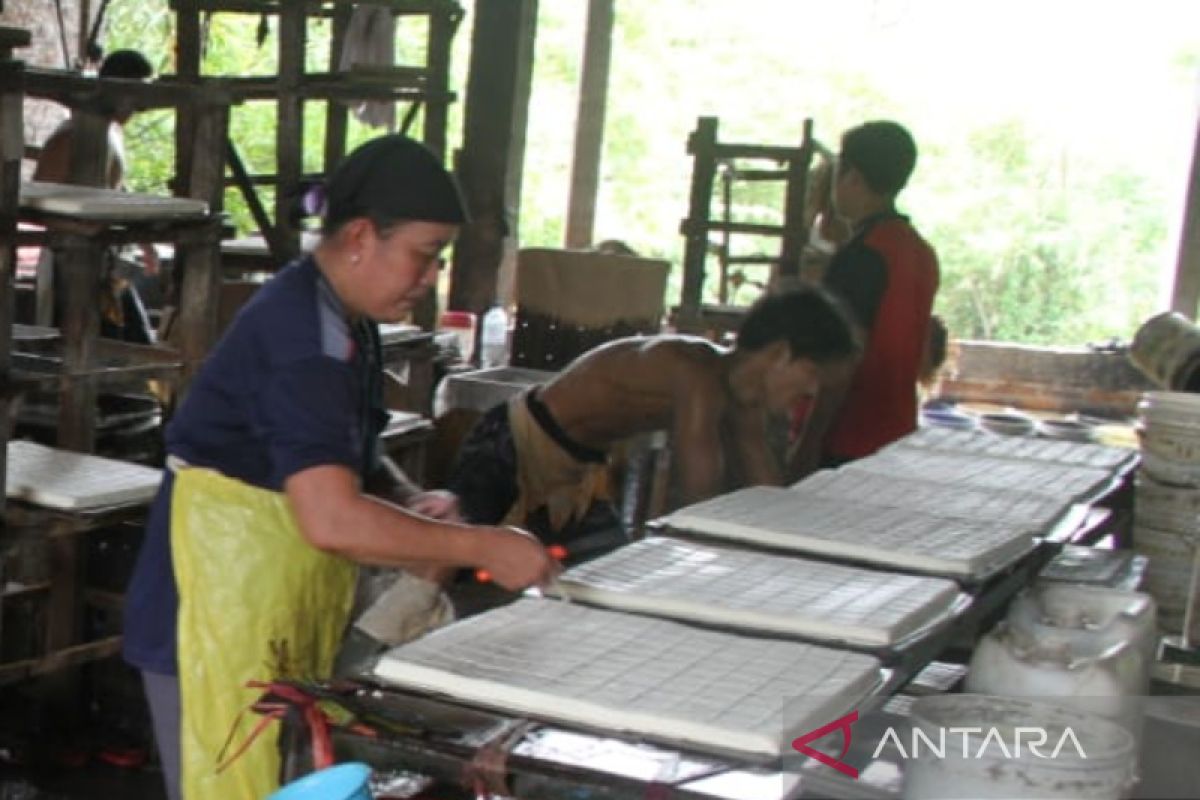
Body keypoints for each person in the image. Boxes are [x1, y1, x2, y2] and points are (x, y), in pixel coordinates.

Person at [121, 134, 558, 800]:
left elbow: (343, 451)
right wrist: (481, 545)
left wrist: (408, 499)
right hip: (208, 612)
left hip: (267, 601)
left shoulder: (345, 321)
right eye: (423, 255)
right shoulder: (305, 339)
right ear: (359, 236)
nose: (428, 278)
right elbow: (329, 517)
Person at [448, 286, 860, 547]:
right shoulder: (694, 373)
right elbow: (698, 501)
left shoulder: (742, 401)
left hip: (578, 471)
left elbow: (769, 497)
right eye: (811, 375)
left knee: (596, 578)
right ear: (779, 354)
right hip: (513, 442)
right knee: (450, 567)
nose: (811, 392)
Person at [788, 121, 940, 479]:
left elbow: (840, 362)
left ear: (852, 176)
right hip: (895, 435)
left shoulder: (863, 255)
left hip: (848, 438)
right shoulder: (920, 252)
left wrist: (808, 444)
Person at [32, 49, 159, 343]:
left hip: (105, 263)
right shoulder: (71, 135)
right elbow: (37, 197)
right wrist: (80, 228)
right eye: (134, 97)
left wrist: (145, 241)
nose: (138, 108)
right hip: (69, 261)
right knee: (82, 348)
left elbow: (114, 189)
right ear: (119, 89)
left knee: (134, 344)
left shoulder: (112, 133)